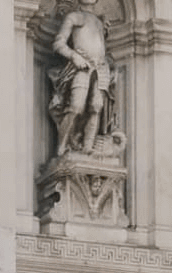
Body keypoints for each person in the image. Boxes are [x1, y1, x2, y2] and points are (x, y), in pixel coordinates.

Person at [48, 0, 112, 156]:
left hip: (100, 68)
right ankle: (61, 147)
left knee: (96, 107)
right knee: (76, 106)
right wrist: (74, 56)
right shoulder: (74, 17)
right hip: (81, 66)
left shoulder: (99, 21)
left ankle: (87, 146)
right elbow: (58, 44)